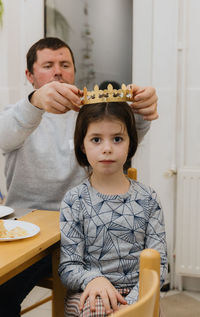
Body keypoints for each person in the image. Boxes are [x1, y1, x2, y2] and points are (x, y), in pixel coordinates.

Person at [0, 37, 158, 316]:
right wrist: (35, 102)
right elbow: (4, 135)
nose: (58, 72)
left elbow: (128, 137)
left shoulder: (90, 117)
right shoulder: (17, 117)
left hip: (82, 231)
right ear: (30, 75)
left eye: (65, 64)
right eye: (48, 65)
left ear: (74, 71)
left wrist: (143, 109)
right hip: (28, 234)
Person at [59, 101, 167, 317]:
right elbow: (69, 267)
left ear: (130, 143)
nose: (107, 148)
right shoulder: (74, 200)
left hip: (140, 293)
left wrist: (134, 304)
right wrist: (94, 279)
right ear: (82, 145)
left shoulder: (149, 199)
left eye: (117, 139)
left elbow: (160, 264)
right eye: (96, 139)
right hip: (89, 292)